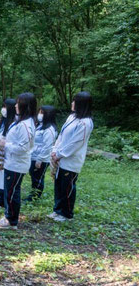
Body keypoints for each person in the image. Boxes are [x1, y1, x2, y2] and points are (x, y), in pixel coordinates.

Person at [0, 93, 37, 230]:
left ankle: (11, 220)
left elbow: (23, 148)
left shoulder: (26, 125)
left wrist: (5, 144)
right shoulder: (21, 121)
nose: (16, 106)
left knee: (12, 192)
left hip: (16, 164)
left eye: (19, 103)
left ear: (26, 106)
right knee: (9, 191)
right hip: (12, 162)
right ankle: (8, 216)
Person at [49, 92, 94, 222]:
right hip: (60, 157)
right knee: (59, 184)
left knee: (67, 187)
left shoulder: (86, 123)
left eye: (75, 102)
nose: (72, 103)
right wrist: (55, 150)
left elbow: (75, 143)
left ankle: (66, 213)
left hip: (71, 160)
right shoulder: (72, 117)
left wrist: (60, 154)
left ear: (82, 105)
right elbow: (62, 135)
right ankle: (57, 210)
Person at [25, 105, 57, 202]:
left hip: (41, 158)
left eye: (42, 113)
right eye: (39, 112)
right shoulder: (40, 126)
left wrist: (40, 159)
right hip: (34, 156)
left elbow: (47, 146)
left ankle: (35, 196)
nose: (39, 115)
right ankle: (33, 193)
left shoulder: (49, 129)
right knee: (34, 176)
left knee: (38, 178)